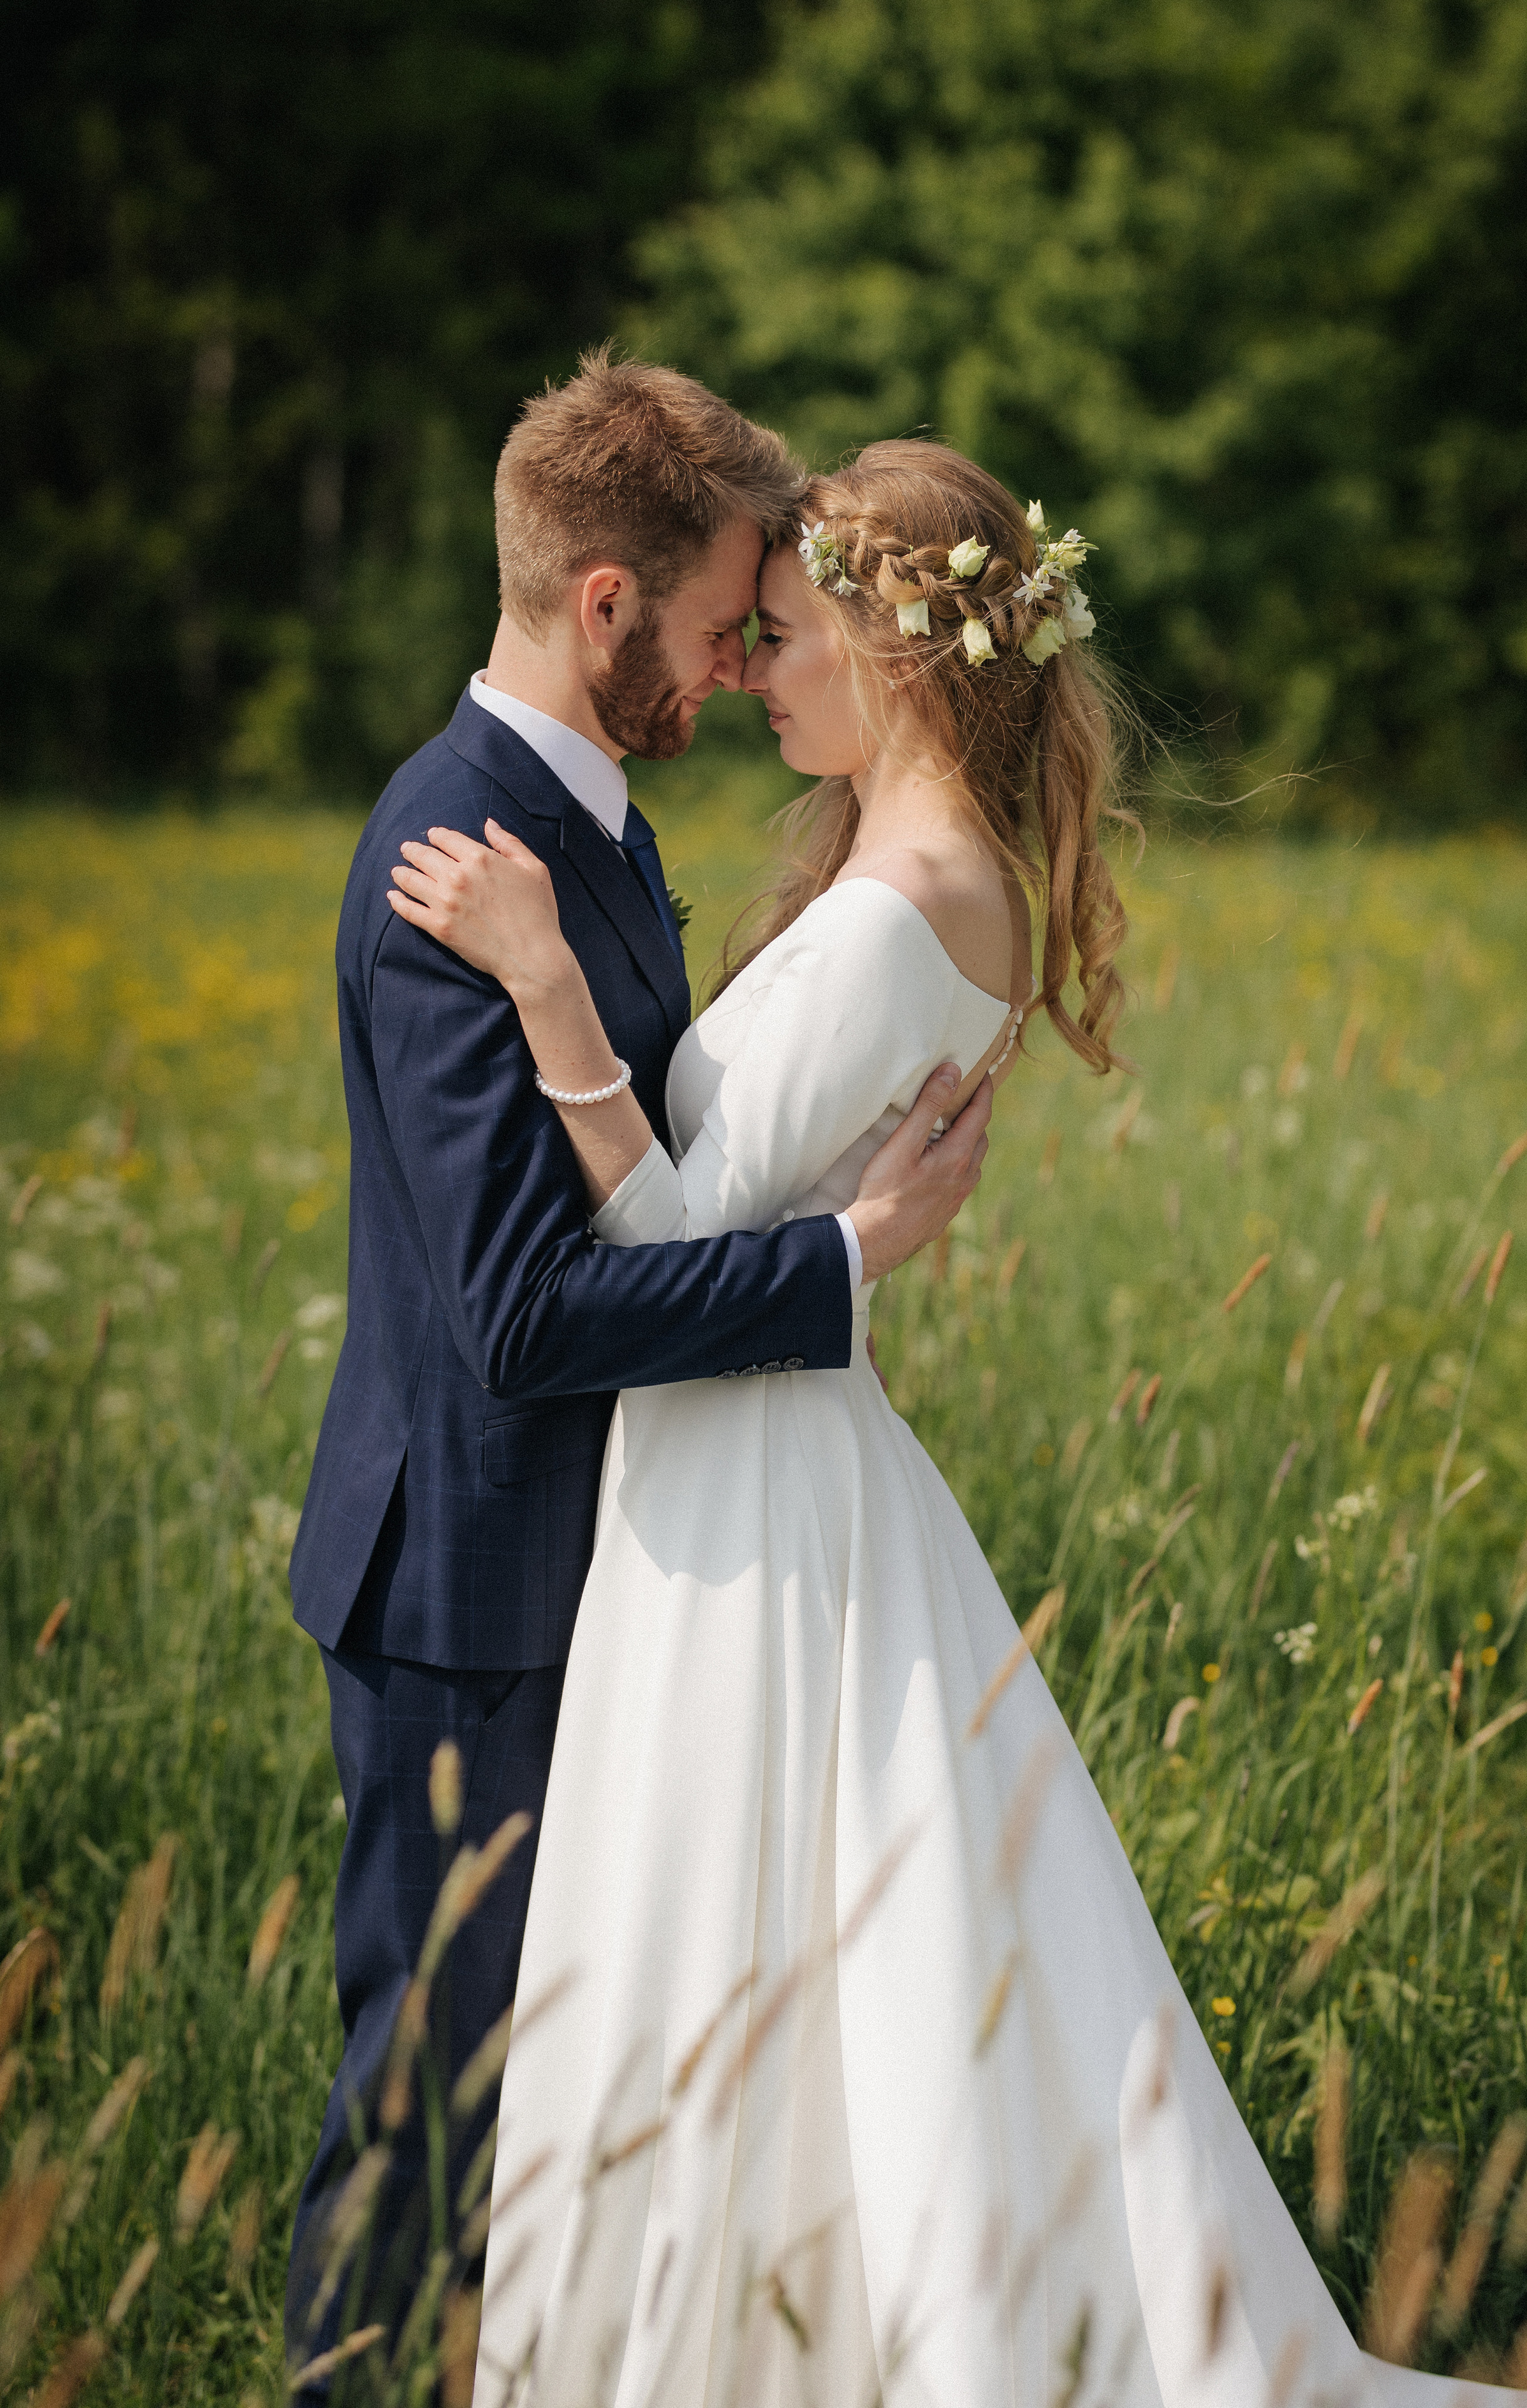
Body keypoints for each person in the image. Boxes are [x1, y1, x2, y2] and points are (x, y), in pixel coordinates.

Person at [393, 439, 1527, 2408]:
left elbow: (679, 1244)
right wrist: (847, 1249)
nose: (750, 674)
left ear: (896, 651)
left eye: (784, 636)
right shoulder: (927, 887)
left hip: (752, 1480)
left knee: (749, 1924)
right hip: (767, 1453)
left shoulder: (899, 917)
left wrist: (550, 996)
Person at [282, 362, 992, 2384]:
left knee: (565, 2112)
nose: (738, 666)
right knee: (430, 2112)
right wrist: (841, 1263)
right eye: (715, 626)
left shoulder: (591, 828)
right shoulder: (452, 858)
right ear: (605, 606)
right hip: (473, 1595)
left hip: (619, 1568)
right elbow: (523, 1316)